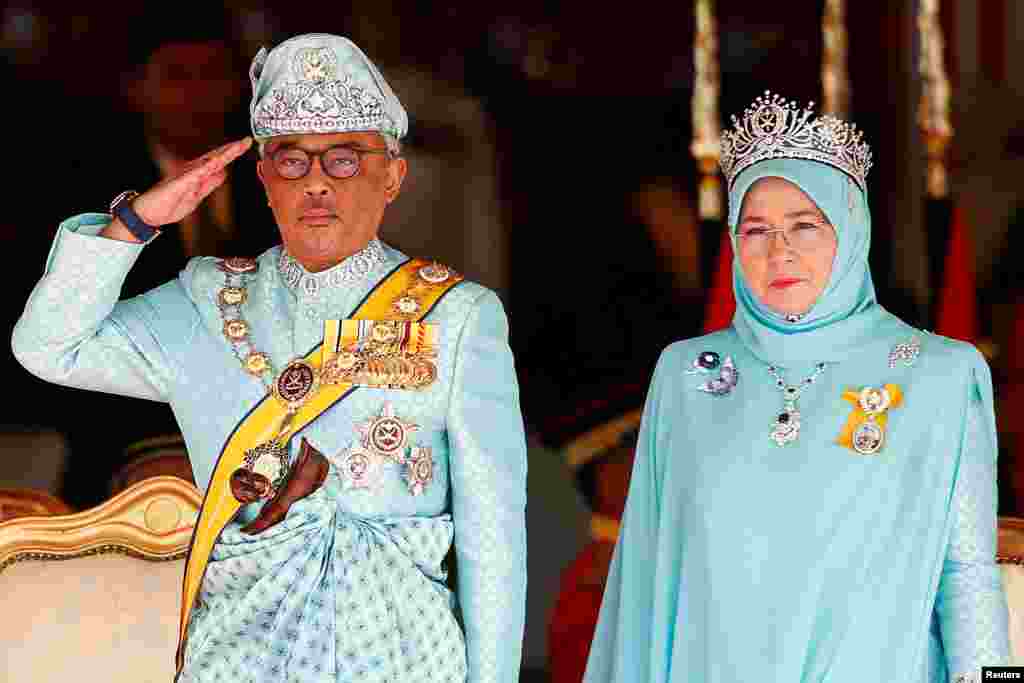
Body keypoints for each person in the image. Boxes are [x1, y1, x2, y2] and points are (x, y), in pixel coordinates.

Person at [12, 33, 527, 683]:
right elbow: (45, 346)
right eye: (291, 160)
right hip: (239, 661)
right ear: (262, 177)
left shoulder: (456, 317)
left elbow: (494, 544)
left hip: (408, 662)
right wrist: (136, 221)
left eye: (344, 159)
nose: (315, 182)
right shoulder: (205, 301)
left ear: (393, 174)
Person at [583, 92, 1010, 682]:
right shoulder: (687, 374)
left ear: (850, 230)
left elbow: (967, 575)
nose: (779, 251)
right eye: (756, 229)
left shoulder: (940, 375)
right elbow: (645, 578)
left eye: (805, 226)